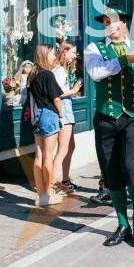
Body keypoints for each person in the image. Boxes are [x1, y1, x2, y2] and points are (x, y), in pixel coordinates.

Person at [85, 3, 134, 247]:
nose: (109, 25)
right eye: (105, 22)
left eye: (113, 21)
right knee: (111, 172)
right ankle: (122, 223)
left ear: (123, 22)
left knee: (130, 168)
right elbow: (97, 73)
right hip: (105, 117)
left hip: (132, 117)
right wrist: (126, 59)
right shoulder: (94, 48)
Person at [27, 44, 66, 207]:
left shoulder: (32, 74)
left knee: (39, 155)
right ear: (44, 55)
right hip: (49, 115)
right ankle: (48, 194)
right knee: (49, 156)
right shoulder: (48, 74)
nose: (54, 57)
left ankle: (40, 194)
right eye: (51, 53)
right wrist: (62, 115)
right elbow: (56, 98)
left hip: (36, 116)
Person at [51, 41, 83, 195]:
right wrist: (74, 90)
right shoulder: (59, 71)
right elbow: (56, 93)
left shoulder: (62, 70)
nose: (74, 56)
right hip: (63, 112)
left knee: (70, 147)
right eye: (72, 53)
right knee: (62, 150)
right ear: (64, 52)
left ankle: (65, 181)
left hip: (67, 111)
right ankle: (50, 185)